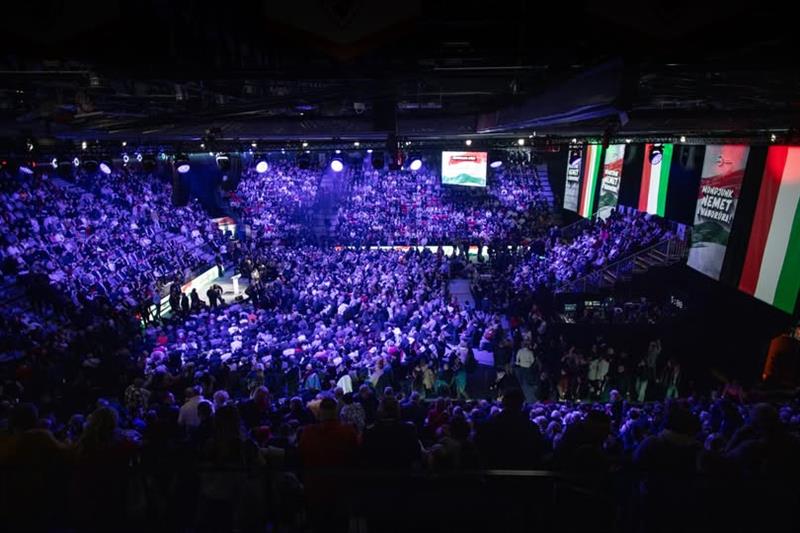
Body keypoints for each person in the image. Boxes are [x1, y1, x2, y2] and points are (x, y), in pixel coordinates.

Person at [474, 388, 545, 469]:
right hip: (523, 472)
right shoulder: (532, 427)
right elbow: (539, 452)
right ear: (521, 404)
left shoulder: (489, 425)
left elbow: (480, 449)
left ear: (503, 402)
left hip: (495, 471)